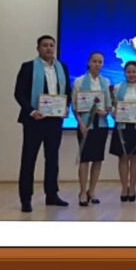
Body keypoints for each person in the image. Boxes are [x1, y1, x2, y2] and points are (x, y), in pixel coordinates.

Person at [14, 34, 72, 212]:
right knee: (29, 159)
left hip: (54, 121)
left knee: (52, 159)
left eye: (51, 45)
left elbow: (67, 91)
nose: (49, 48)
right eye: (45, 45)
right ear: (38, 48)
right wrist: (32, 111)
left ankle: (52, 195)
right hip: (34, 120)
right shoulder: (28, 67)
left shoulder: (62, 67)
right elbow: (19, 93)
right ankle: (26, 198)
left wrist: (65, 107)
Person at [73, 52, 112, 207]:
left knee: (97, 159)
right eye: (94, 61)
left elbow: (108, 105)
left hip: (101, 125)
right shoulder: (79, 82)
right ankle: (82, 192)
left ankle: (92, 190)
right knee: (84, 159)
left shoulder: (106, 82)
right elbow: (75, 107)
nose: (97, 64)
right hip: (85, 125)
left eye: (100, 62)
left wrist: (105, 112)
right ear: (89, 62)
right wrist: (81, 124)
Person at [109, 61, 136, 203]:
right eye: (128, 72)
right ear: (125, 73)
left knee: (135, 158)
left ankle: (132, 187)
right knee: (123, 158)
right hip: (122, 128)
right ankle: (124, 188)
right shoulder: (118, 88)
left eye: (134, 72)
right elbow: (112, 106)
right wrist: (114, 113)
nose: (131, 74)